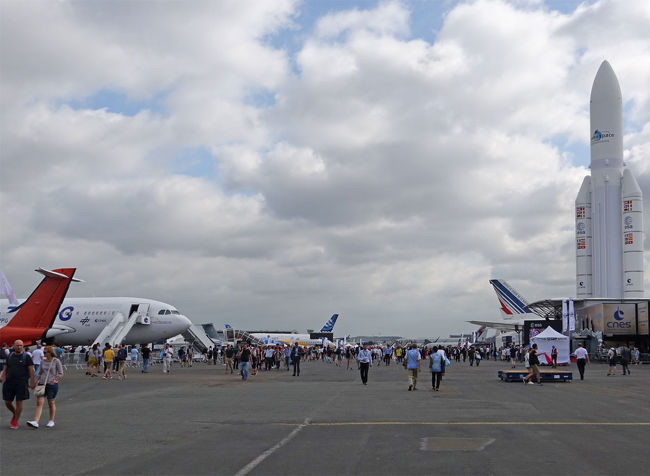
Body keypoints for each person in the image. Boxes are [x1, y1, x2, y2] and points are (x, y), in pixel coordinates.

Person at [26, 345, 63, 429]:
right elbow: (40, 373)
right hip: (41, 384)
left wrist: (55, 380)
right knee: (39, 402)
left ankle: (51, 420)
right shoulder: (42, 361)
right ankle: (36, 421)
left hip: (51, 385)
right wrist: (34, 382)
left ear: (50, 353)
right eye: (43, 352)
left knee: (51, 402)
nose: (43, 353)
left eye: (45, 352)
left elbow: (61, 373)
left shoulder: (56, 361)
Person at [1, 340, 34, 429]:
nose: (19, 347)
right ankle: (16, 413)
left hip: (21, 383)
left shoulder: (26, 357)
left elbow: (31, 369)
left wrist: (32, 381)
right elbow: (5, 367)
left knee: (19, 401)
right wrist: (3, 376)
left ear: (23, 346)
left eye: (21, 345)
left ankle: (15, 422)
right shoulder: (10, 356)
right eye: (17, 345)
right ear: (14, 346)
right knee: (7, 402)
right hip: (9, 382)